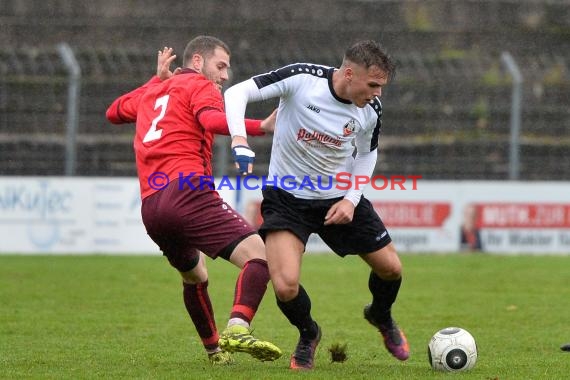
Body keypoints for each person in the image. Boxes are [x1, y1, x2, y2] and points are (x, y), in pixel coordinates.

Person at [225, 40, 408, 370]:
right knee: (285, 285)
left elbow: (367, 154)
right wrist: (240, 139)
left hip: (337, 197)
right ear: (349, 74)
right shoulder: (301, 79)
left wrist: (352, 199)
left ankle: (380, 314)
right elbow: (236, 93)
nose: (378, 93)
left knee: (392, 268)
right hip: (287, 199)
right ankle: (308, 333)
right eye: (373, 84)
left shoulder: (370, 110)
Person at [105, 36, 281, 365]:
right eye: (221, 65)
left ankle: (215, 353)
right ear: (198, 62)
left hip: (152, 206)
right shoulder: (200, 86)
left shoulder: (154, 91)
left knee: (195, 276)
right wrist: (260, 127)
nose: (225, 75)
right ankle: (238, 328)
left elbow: (113, 112)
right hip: (187, 191)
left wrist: (155, 80)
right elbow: (211, 121)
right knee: (262, 257)